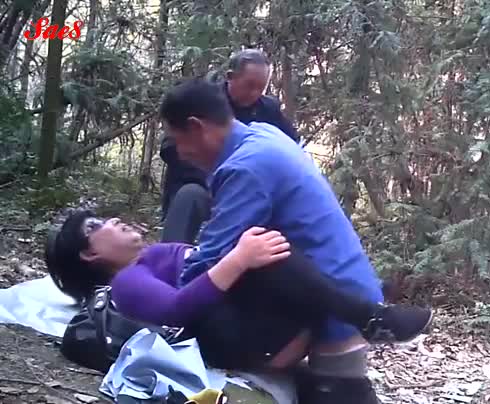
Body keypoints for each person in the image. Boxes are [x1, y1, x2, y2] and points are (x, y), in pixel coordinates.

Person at [161, 78, 431, 404]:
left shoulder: (245, 168)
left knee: (337, 388)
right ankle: (368, 322)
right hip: (343, 287)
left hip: (322, 303)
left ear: (196, 127)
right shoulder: (264, 135)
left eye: (178, 141)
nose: (181, 154)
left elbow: (204, 271)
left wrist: (177, 277)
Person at [44, 211, 432, 372]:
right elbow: (178, 310)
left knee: (271, 244)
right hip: (242, 342)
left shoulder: (153, 255)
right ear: (89, 254)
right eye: (95, 226)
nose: (113, 220)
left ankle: (358, 298)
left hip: (255, 327)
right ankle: (370, 316)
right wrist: (241, 258)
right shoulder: (126, 281)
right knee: (265, 257)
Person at [159, 48, 298, 244]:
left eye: (261, 88)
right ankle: (169, 255)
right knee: (189, 196)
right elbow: (169, 147)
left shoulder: (268, 109)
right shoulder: (203, 100)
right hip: (200, 184)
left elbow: (291, 145)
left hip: (246, 189)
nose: (255, 93)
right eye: (250, 85)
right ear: (230, 76)